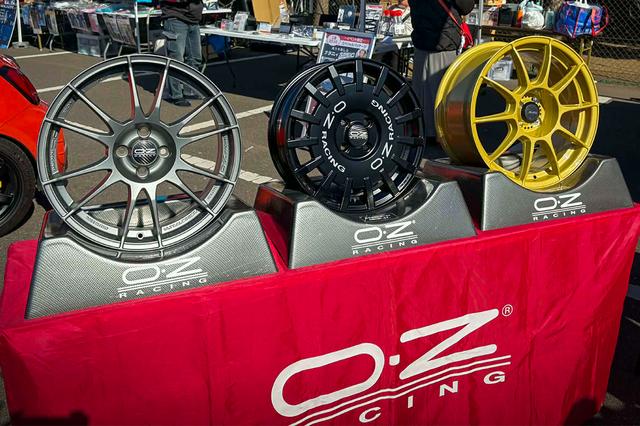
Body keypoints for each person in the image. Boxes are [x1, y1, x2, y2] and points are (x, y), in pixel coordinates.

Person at [408, 0, 474, 143]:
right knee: (442, 90)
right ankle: (441, 133)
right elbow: (466, 6)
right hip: (444, 40)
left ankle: (423, 130)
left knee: (421, 90)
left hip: (422, 37)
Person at [160, 0, 204, 106]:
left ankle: (189, 91)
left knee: (195, 58)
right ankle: (175, 95)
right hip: (176, 18)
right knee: (176, 59)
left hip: (194, 20)